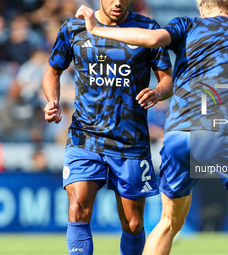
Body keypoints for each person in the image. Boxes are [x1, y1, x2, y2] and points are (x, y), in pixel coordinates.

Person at [75, 0, 228, 254]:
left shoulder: (187, 26)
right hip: (220, 134)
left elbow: (152, 39)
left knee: (168, 222)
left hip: (176, 136)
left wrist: (97, 29)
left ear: (202, 9)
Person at [42, 0, 173, 254]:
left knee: (133, 224)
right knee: (78, 209)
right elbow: (52, 71)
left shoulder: (146, 28)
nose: (118, 2)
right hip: (85, 137)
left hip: (130, 141)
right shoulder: (74, 28)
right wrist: (53, 100)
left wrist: (157, 92)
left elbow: (167, 79)